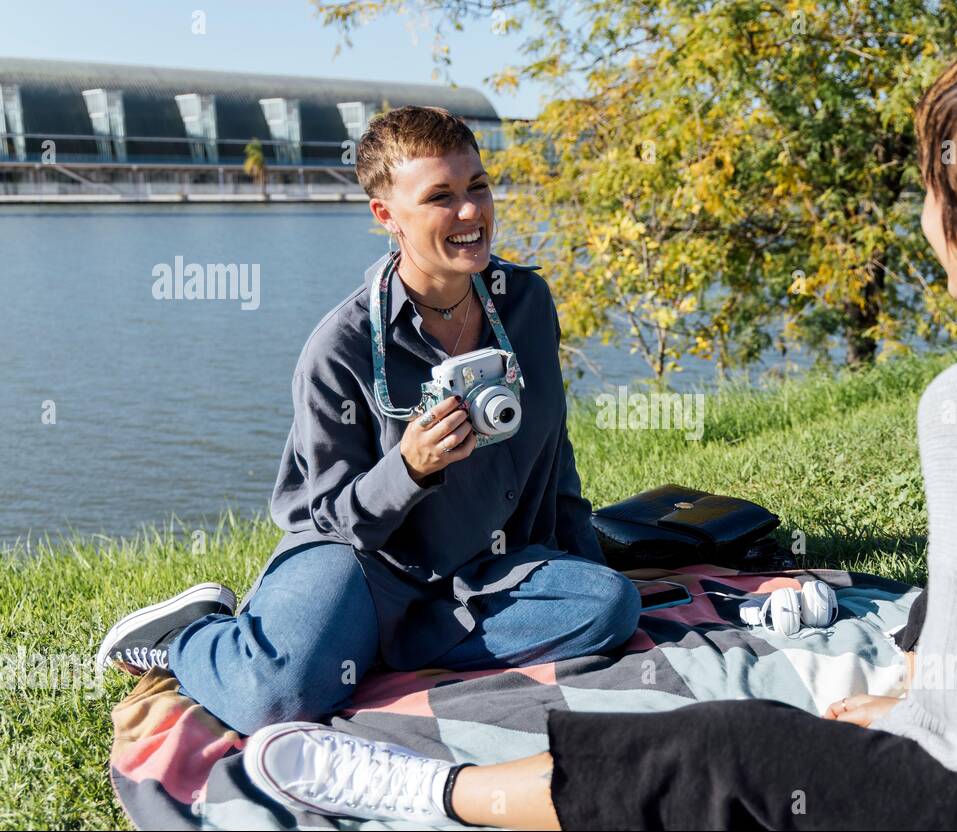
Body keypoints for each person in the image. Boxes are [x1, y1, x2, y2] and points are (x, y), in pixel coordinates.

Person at [241, 29, 957, 830]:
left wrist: (883, 721)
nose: (473, 212)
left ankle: (439, 792)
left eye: (927, 192)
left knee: (731, 748)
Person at [97, 106, 642, 736]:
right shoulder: (341, 348)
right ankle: (189, 637)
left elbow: (555, 457)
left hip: (486, 570)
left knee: (608, 607)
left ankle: (367, 650)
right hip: (361, 564)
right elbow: (330, 516)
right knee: (276, 702)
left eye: (478, 186)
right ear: (387, 216)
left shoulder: (524, 303)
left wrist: (585, 561)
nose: (471, 212)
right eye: (441, 197)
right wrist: (409, 468)